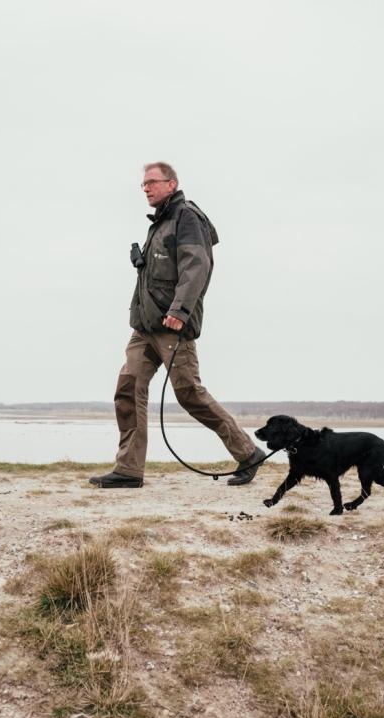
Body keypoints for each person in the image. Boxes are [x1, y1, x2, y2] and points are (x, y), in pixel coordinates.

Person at [89, 162, 265, 489]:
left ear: (172, 184)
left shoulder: (186, 217)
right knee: (128, 389)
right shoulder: (160, 221)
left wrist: (180, 310)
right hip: (144, 326)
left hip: (172, 326)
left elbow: (196, 267)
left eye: (152, 182)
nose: (146, 188)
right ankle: (128, 470)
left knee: (189, 394)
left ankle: (248, 452)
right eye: (143, 184)